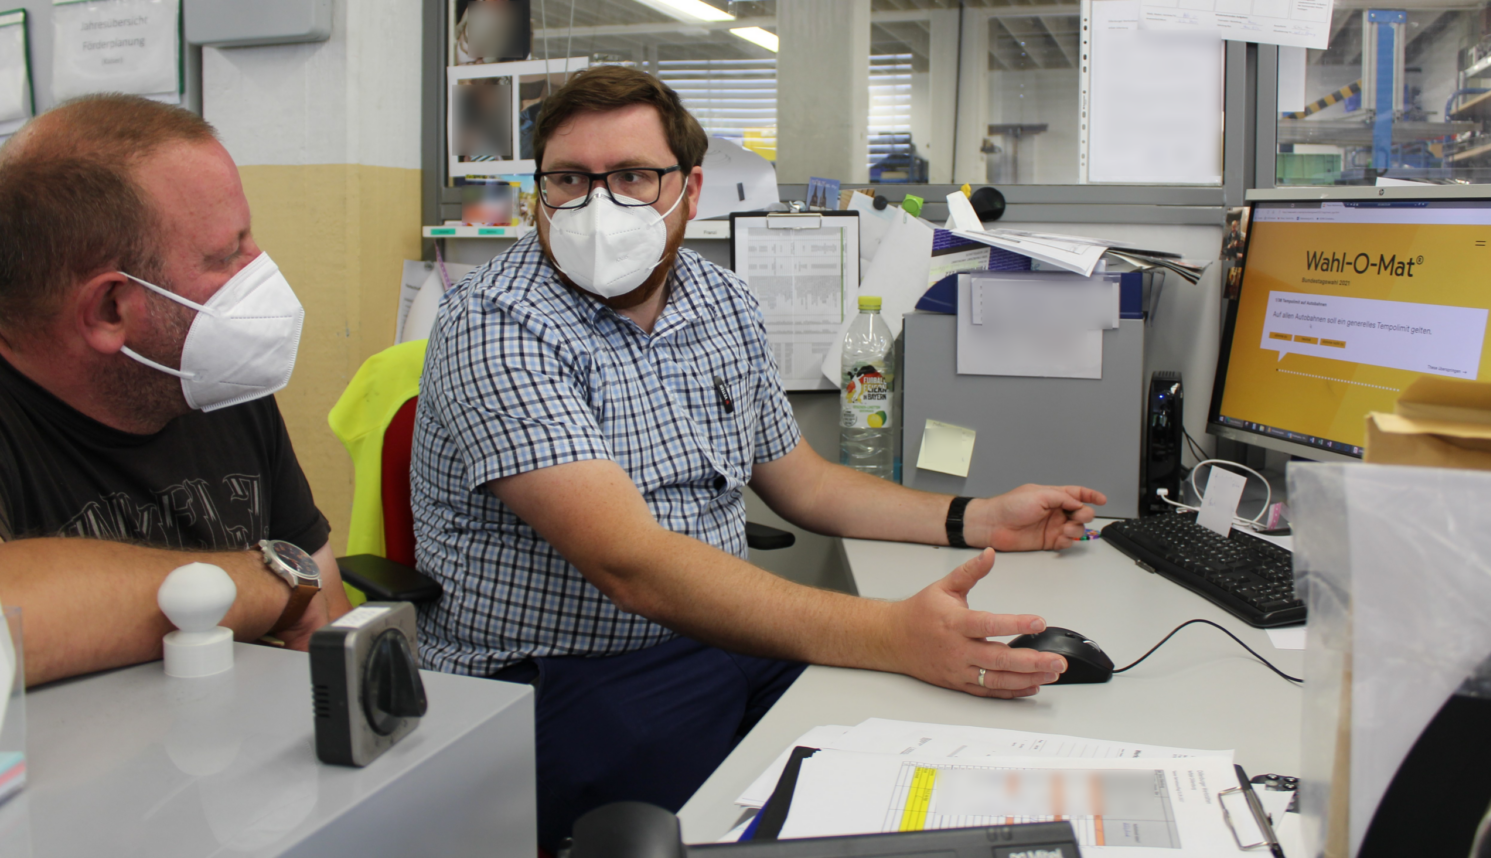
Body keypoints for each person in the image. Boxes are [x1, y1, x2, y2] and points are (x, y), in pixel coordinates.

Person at [410, 65, 1105, 849]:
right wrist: (891, 634)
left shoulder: (721, 301)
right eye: (569, 179)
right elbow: (628, 565)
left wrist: (975, 518)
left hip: (718, 641)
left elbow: (802, 482)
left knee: (913, 769)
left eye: (633, 176)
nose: (597, 205)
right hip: (560, 675)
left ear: (691, 190)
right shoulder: (498, 322)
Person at [0, 94, 351, 687]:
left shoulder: (216, 382)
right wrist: (264, 582)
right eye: (226, 254)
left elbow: (324, 620)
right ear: (111, 308)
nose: (260, 267)